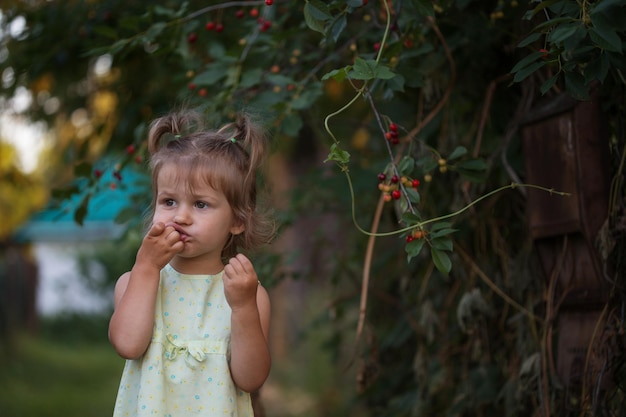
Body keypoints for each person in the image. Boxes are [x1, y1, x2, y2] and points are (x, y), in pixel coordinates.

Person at [109, 109, 275, 417]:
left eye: (200, 204)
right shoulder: (137, 282)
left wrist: (243, 308)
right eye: (168, 201)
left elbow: (250, 380)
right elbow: (128, 345)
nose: (181, 217)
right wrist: (145, 268)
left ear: (237, 220)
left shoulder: (246, 295)